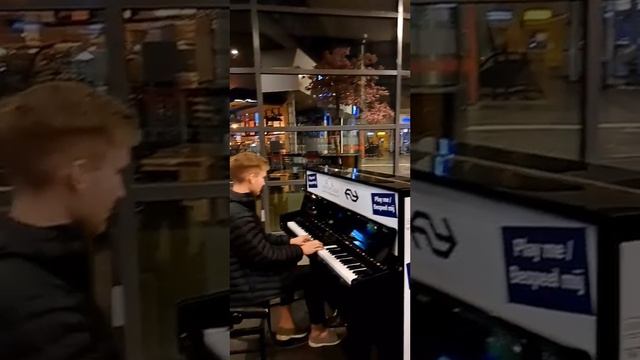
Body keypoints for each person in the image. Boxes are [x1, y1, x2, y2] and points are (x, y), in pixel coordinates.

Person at [0, 82, 138, 359]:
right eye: (116, 172)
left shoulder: (33, 268)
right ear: (80, 174)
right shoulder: (44, 318)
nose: (120, 191)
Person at [229, 151, 342, 348]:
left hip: (244, 273)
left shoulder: (236, 204)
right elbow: (266, 256)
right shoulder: (239, 215)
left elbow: (260, 239)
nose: (265, 183)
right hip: (246, 284)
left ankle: (286, 327)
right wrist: (302, 250)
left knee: (296, 268)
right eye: (263, 177)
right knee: (313, 275)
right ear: (251, 177)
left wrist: (291, 241)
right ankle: (318, 332)